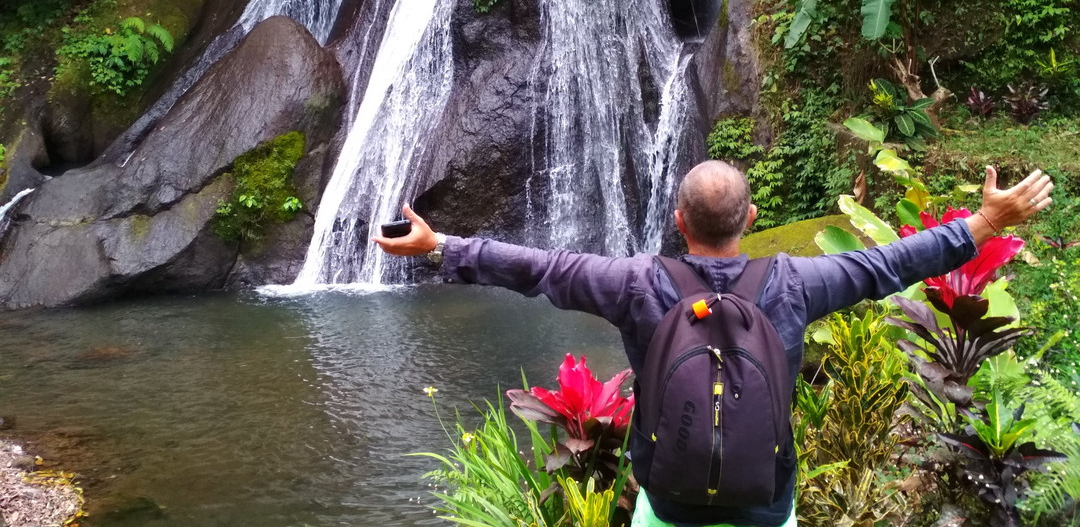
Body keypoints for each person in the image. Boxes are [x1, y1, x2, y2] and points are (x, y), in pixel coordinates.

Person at [375, 161, 1054, 527]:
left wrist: (445, 247)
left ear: (678, 221)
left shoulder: (636, 284)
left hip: (670, 498)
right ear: (752, 220)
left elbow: (543, 269)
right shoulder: (798, 282)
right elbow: (888, 265)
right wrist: (985, 220)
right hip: (765, 499)